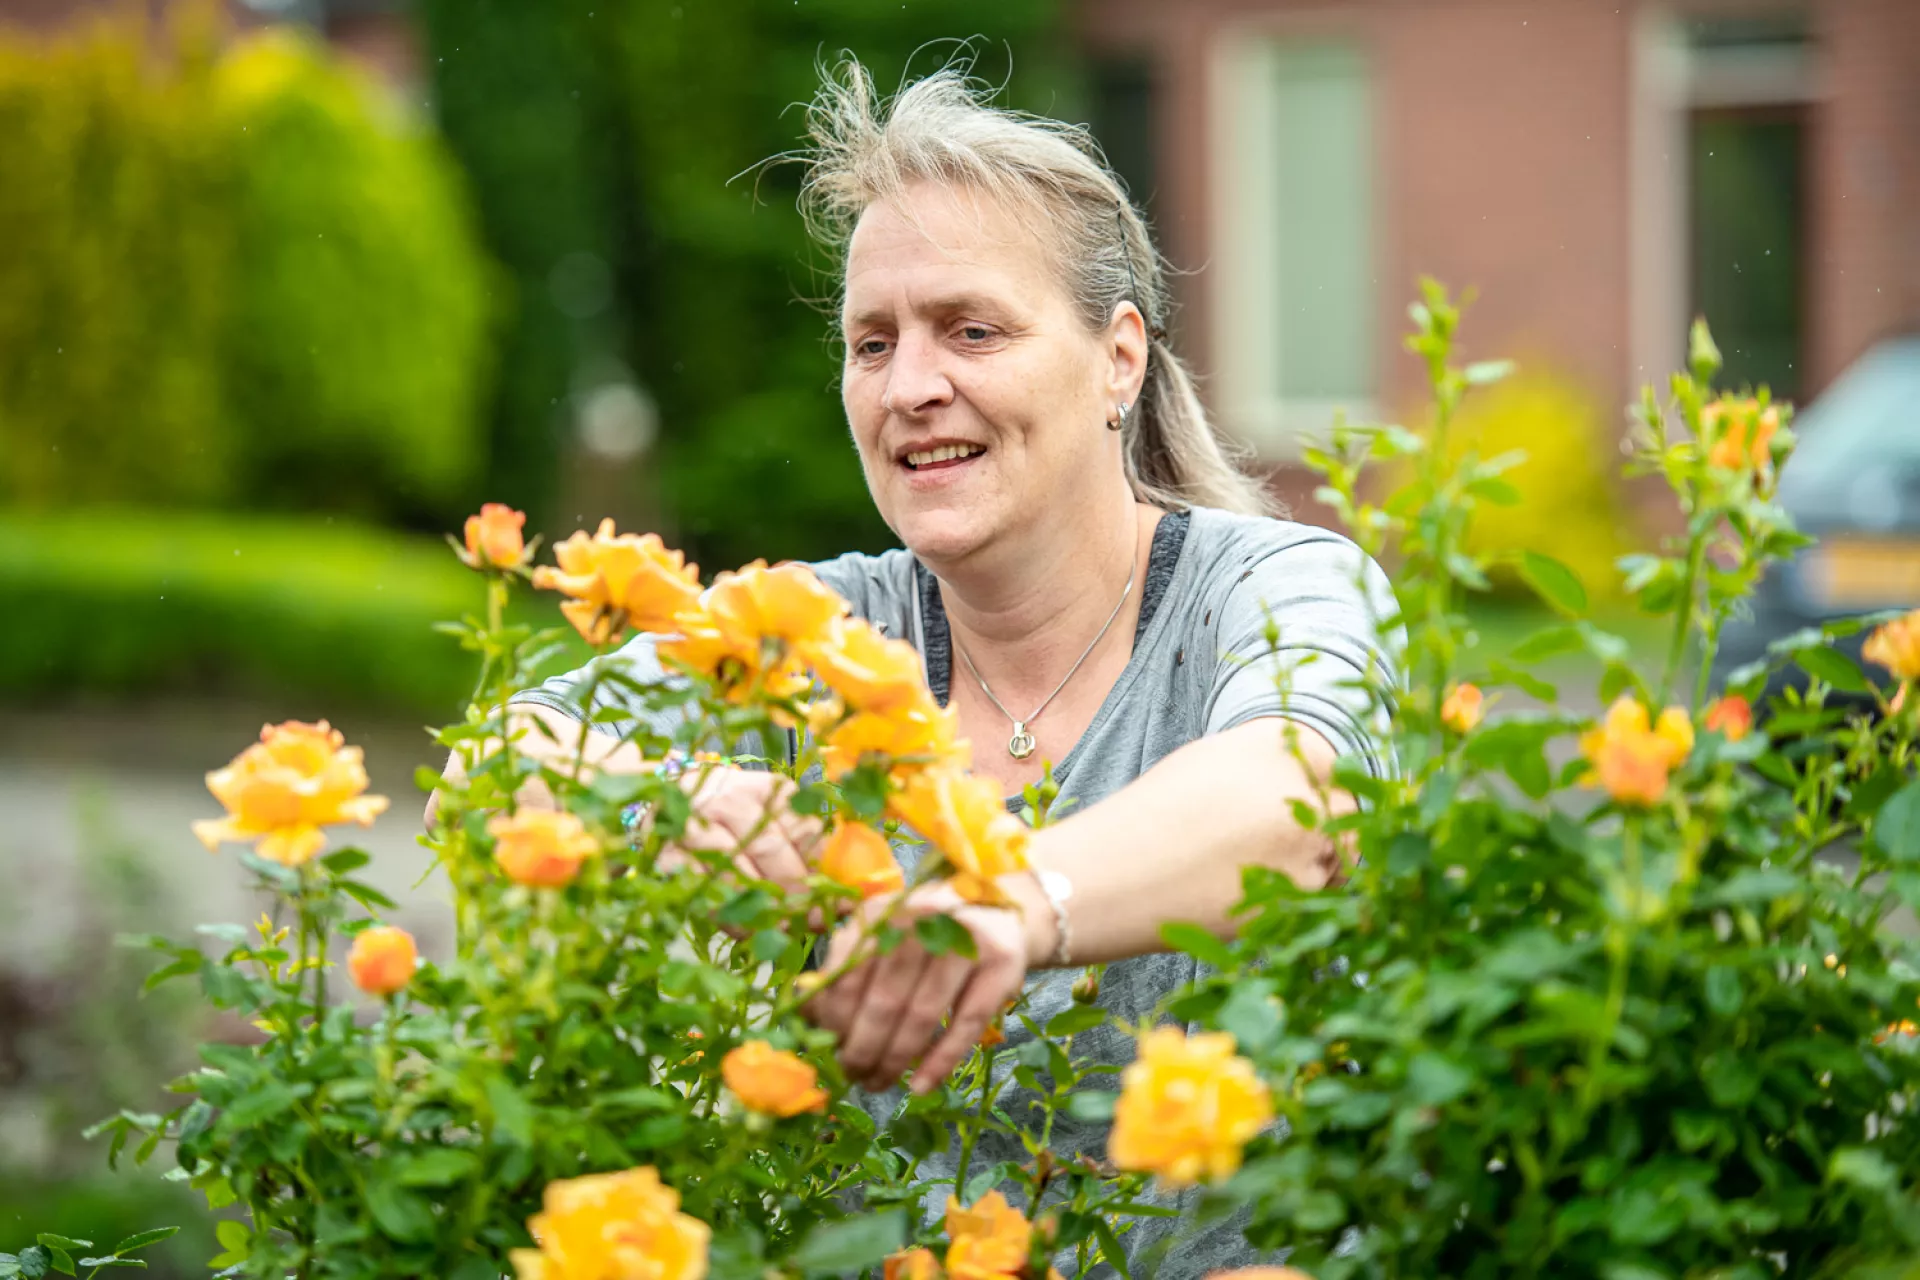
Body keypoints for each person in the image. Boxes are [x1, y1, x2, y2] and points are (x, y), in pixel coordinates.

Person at [464, 61, 1397, 1276]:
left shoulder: (1272, 587)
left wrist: (1011, 900)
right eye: (872, 342)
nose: (911, 387)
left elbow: (1296, 793)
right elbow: (487, 767)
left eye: (972, 328)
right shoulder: (819, 635)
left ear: (1119, 359)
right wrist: (659, 801)